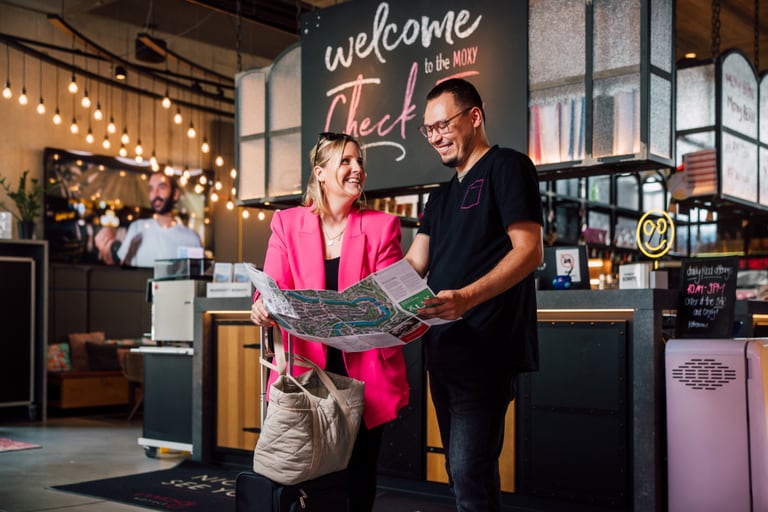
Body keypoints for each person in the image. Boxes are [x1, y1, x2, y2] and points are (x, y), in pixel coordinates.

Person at [250, 132, 410, 511]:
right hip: (304, 370)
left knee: (358, 473)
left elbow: (390, 300)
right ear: (320, 173)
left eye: (359, 162)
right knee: (304, 470)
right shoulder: (286, 225)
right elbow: (271, 290)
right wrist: (261, 308)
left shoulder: (382, 226)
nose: (357, 170)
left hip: (364, 371)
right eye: (346, 161)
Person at [404, 78, 544, 512]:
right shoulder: (439, 196)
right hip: (442, 351)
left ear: (474, 117)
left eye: (442, 124)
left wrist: (466, 297)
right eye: (428, 130)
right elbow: (414, 265)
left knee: (469, 474)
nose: (435, 137)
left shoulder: (508, 167)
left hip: (487, 350)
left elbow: (530, 251)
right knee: (464, 474)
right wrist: (364, 294)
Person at [94, 172, 203, 267]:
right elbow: (120, 262)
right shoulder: (137, 228)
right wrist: (108, 246)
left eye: (161, 187)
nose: (155, 194)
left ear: (175, 194)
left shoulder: (191, 238)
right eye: (151, 189)